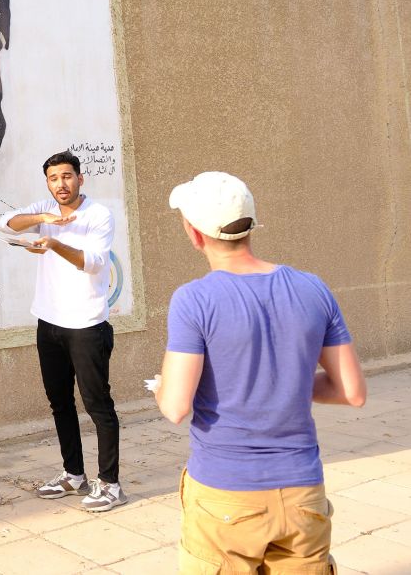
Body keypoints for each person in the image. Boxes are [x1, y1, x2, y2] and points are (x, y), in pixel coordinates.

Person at [155, 171, 366, 573]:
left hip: (225, 496)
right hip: (304, 495)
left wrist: (161, 387)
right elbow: (351, 391)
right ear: (250, 225)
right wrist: (287, 383)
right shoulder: (313, 288)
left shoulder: (193, 300)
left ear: (193, 232)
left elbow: (176, 407)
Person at [0, 150, 123, 511]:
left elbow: (93, 263)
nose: (61, 184)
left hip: (86, 324)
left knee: (98, 406)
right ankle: (74, 475)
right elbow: (4, 226)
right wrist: (41, 220)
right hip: (49, 322)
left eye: (67, 176)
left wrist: (53, 242)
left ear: (80, 178)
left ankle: (111, 484)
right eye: (53, 178)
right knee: (60, 403)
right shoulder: (45, 209)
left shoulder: (99, 215)